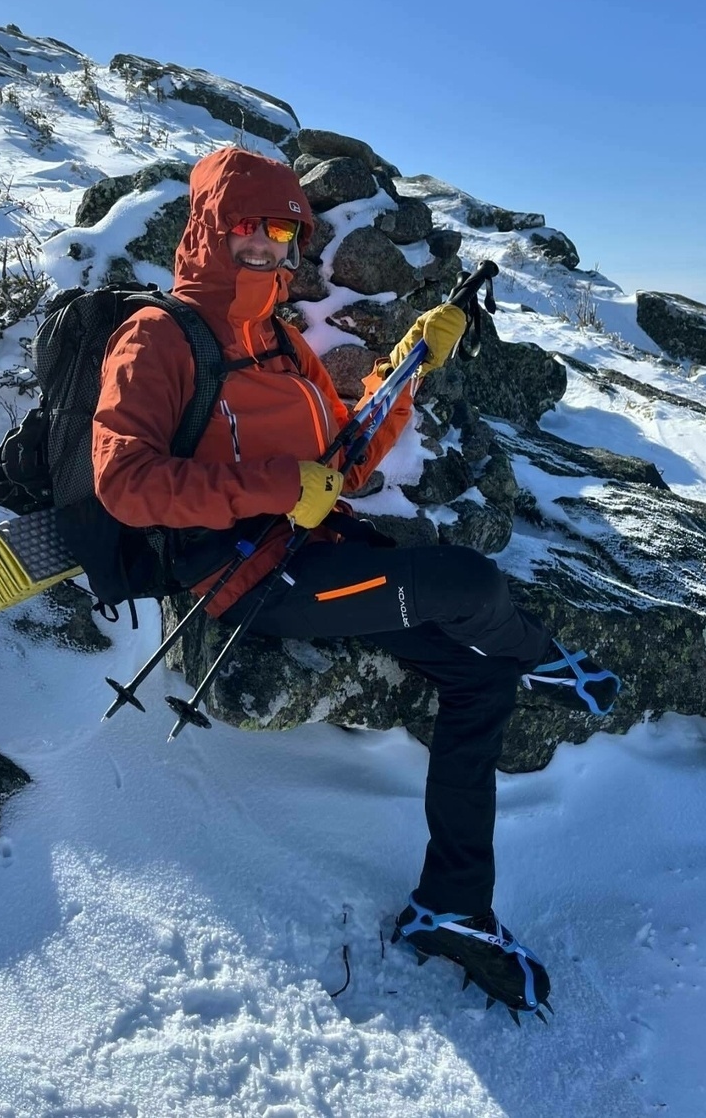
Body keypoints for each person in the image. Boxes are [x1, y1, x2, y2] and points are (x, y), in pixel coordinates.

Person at [92, 147, 619, 1020]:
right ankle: (544, 659)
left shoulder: (280, 340)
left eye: (285, 237)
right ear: (211, 234)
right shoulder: (158, 337)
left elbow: (345, 456)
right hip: (248, 578)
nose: (270, 252)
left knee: (474, 676)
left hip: (313, 548)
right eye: (251, 235)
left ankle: (451, 907)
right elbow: (124, 481)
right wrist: (270, 489)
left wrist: (408, 368)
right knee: (464, 580)